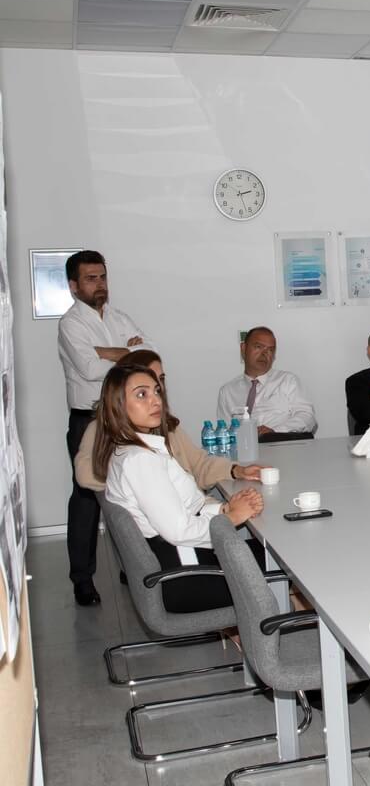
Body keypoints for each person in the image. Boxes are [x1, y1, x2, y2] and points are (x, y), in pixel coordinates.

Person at [96, 362, 265, 613]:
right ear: (117, 405)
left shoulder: (134, 451)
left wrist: (223, 509)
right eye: (141, 394)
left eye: (157, 391)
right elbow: (179, 530)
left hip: (183, 562)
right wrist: (231, 518)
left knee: (268, 554)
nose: (155, 400)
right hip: (187, 577)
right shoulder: (140, 460)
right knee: (287, 561)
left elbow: (186, 508)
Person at [56, 250, 151, 606]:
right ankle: (82, 579)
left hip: (125, 417)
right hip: (89, 419)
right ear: (73, 285)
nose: (100, 284)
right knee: (88, 499)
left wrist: (107, 352)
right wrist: (123, 353)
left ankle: (134, 568)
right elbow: (88, 369)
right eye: (91, 278)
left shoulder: (118, 316)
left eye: (103, 277)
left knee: (132, 493)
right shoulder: (71, 324)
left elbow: (148, 355)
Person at [76, 349, 264, 493]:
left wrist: (236, 470)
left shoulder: (167, 425)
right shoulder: (102, 428)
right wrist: (151, 476)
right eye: (143, 390)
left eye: (160, 380)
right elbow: (85, 474)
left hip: (191, 507)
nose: (158, 388)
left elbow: (199, 464)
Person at [216, 326, 317, 440]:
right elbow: (224, 432)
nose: (264, 353)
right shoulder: (227, 391)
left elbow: (307, 418)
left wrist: (275, 432)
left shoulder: (288, 381)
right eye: (258, 347)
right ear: (243, 348)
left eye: (270, 350)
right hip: (244, 448)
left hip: (282, 445)